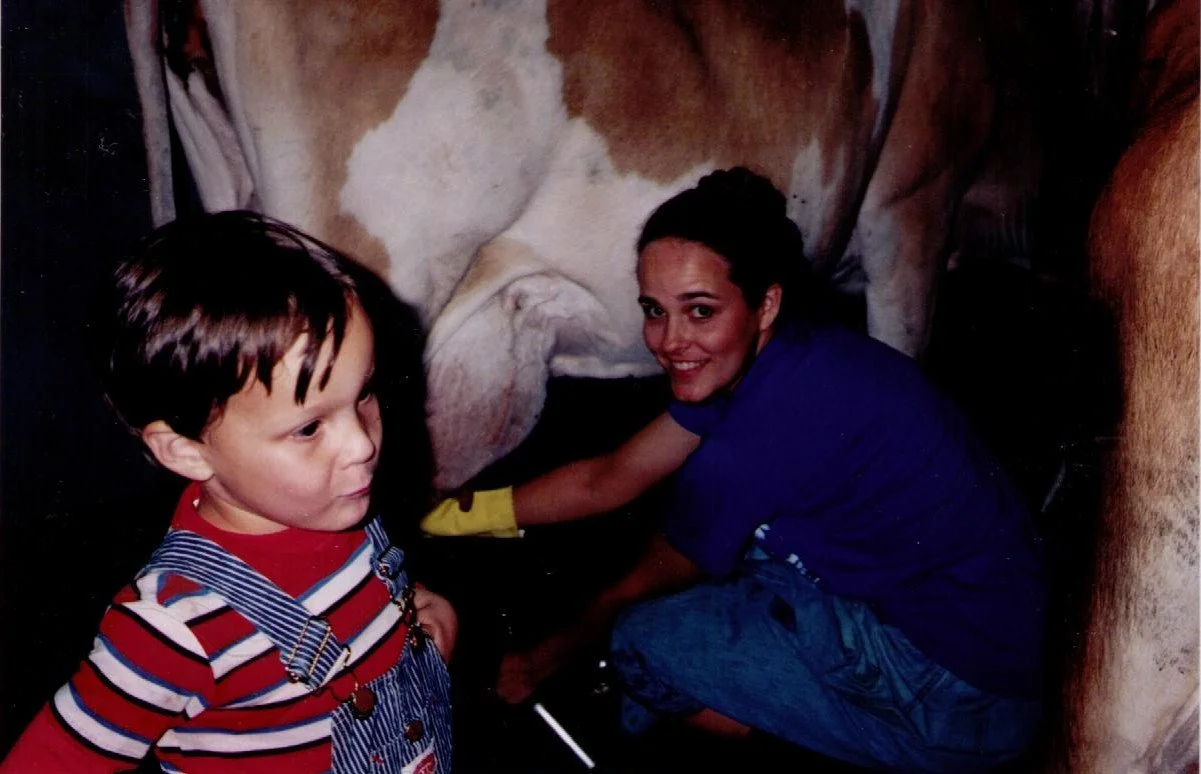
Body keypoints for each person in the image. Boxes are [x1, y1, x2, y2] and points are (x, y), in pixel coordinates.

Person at [421, 168, 1046, 772]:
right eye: (655, 309)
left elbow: (641, 583)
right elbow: (610, 478)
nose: (669, 341)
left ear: (765, 304)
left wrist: (537, 662)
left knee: (641, 640)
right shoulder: (779, 357)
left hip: (962, 695)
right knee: (737, 560)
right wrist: (450, 515)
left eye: (700, 311)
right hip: (991, 636)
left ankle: (799, 745)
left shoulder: (765, 426)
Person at [2, 212, 456, 773]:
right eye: (309, 427)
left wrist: (415, 633)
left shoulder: (332, 505)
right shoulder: (173, 628)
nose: (361, 444)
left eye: (363, 394)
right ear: (187, 450)